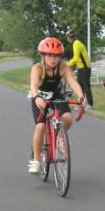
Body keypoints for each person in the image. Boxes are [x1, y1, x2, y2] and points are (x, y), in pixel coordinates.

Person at [28, 37, 85, 174]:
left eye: (56, 56)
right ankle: (35, 160)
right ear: (43, 56)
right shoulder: (37, 68)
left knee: (67, 118)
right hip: (40, 96)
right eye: (50, 55)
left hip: (56, 95)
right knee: (40, 126)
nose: (53, 59)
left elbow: (73, 82)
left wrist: (81, 96)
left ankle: (59, 137)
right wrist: (36, 97)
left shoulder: (63, 67)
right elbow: (34, 85)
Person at [65, 29, 93, 109]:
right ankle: (81, 104)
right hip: (81, 68)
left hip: (85, 68)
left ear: (69, 37)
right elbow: (77, 59)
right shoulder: (76, 43)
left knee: (86, 87)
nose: (67, 39)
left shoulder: (76, 43)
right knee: (80, 87)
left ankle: (90, 105)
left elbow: (76, 58)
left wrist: (66, 65)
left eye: (67, 37)